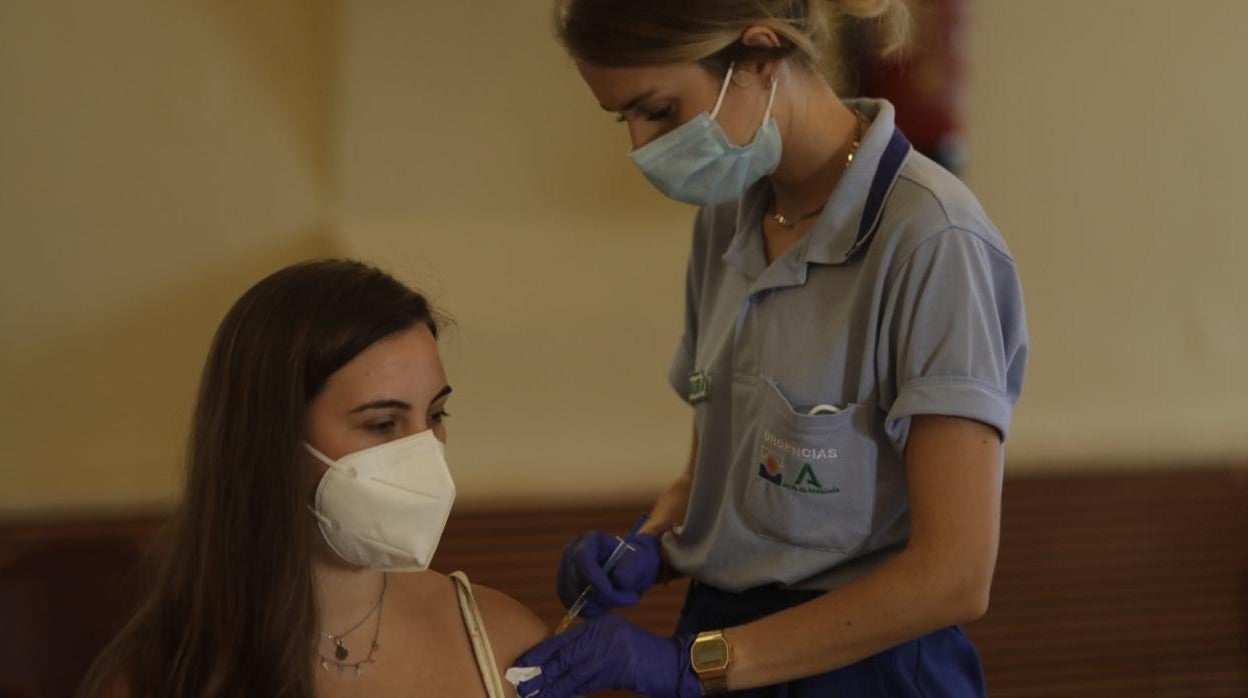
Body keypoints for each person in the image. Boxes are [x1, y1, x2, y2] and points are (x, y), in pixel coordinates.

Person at [511, 1, 1027, 696]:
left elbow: (954, 578)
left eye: (659, 111)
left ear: (758, 57)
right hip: (728, 647)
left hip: (869, 671)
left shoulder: (933, 242)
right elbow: (714, 473)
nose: (639, 146)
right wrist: (655, 543)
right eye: (623, 119)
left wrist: (692, 665)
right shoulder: (728, 217)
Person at [80, 259, 547, 697]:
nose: (424, 450)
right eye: (383, 424)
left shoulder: (505, 644)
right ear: (273, 439)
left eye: (437, 413)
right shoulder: (155, 677)